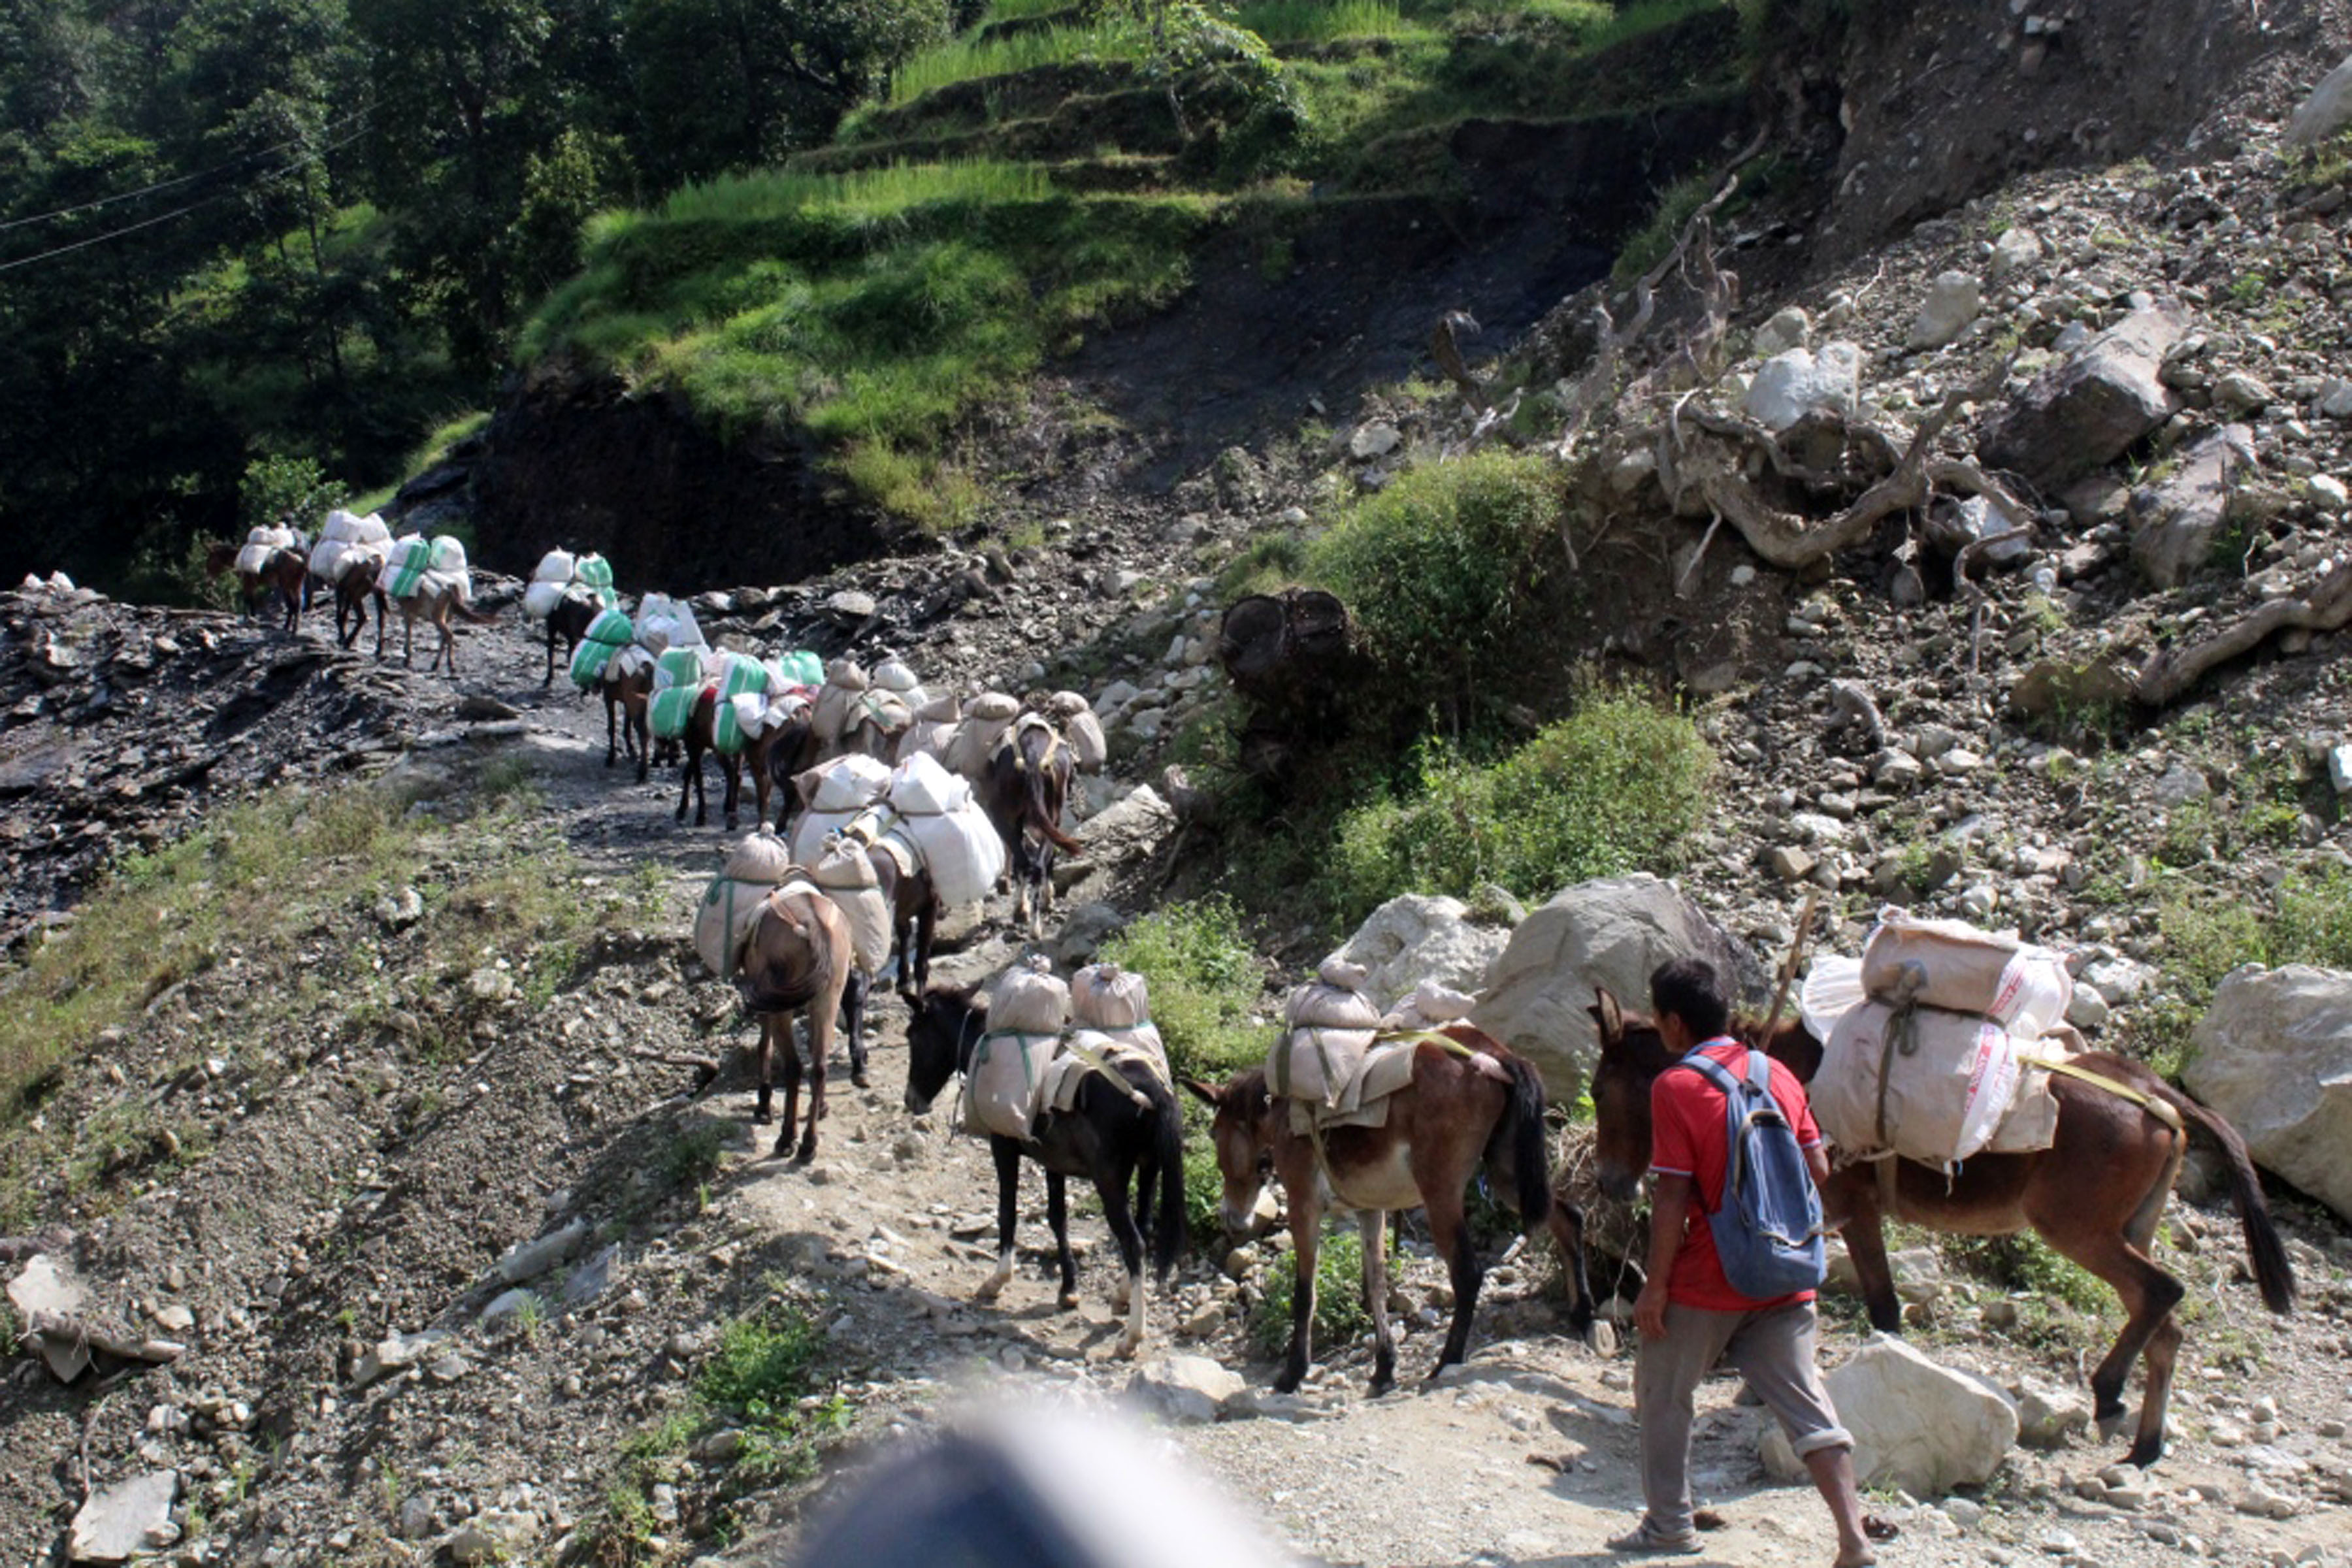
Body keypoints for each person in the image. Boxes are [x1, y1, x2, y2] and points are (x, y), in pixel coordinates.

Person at [1610, 957, 1878, 1568]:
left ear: (1673, 1023)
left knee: (1664, 1393)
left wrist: (1655, 1289)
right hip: (1787, 1274)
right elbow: (1819, 1170)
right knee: (1809, 1408)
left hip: (1710, 1279)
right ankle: (1852, 1539)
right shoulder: (1777, 1074)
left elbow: (1671, 1198)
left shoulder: (1675, 1087)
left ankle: (1669, 1528)